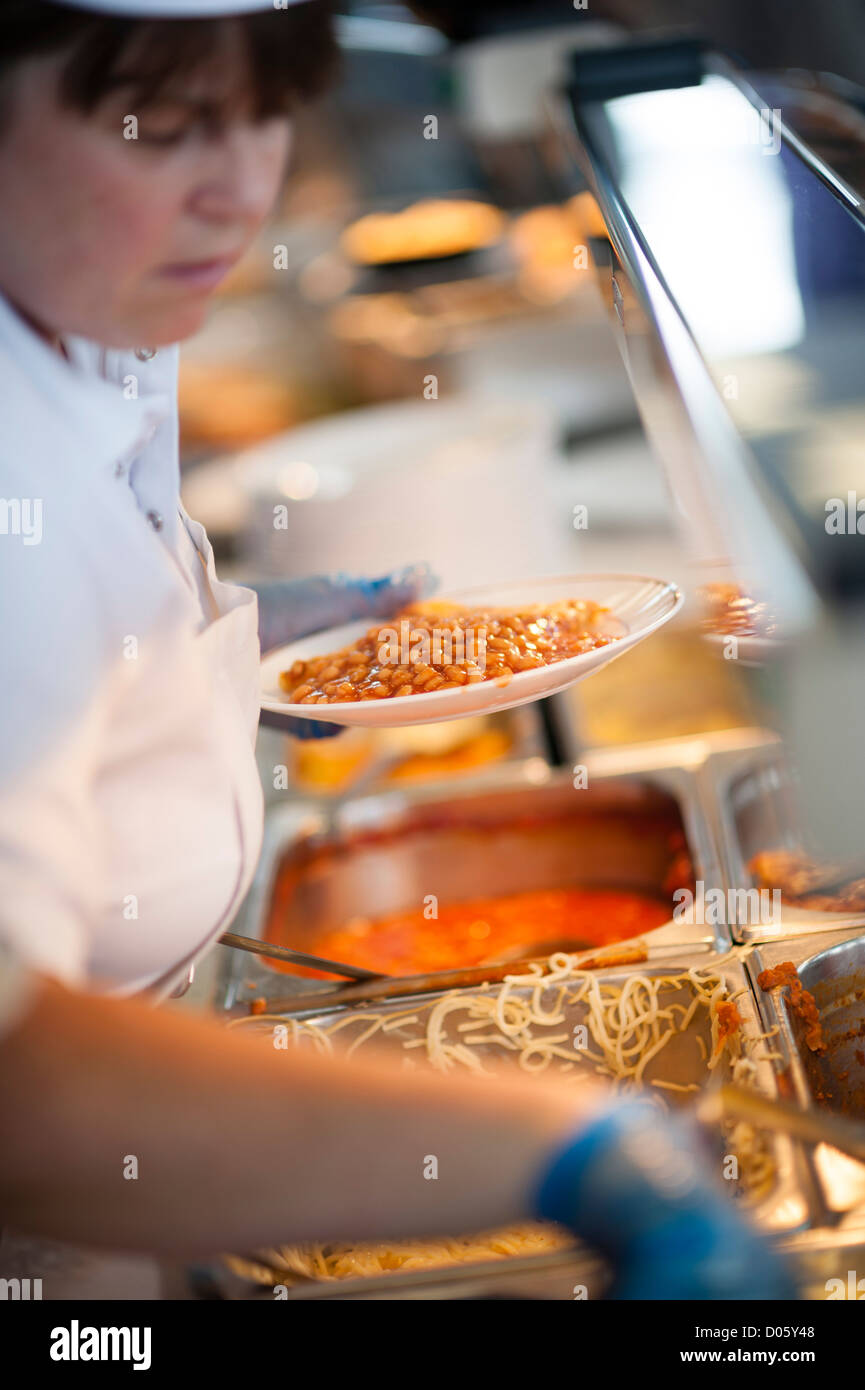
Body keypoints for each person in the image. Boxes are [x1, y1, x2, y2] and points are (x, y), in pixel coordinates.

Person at [0, 0, 793, 1301]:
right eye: (164, 129)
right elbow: (21, 1083)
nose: (239, 194)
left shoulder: (82, 314)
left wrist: (208, 644)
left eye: (264, 116)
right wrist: (565, 1147)